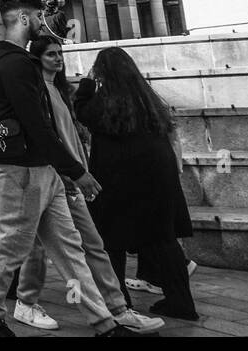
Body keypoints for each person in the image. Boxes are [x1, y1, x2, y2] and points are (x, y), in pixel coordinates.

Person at [0, 0, 145, 338]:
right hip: (24, 171)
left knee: (71, 251)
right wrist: (76, 171)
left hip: (42, 171)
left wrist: (63, 171)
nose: (42, 23)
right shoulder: (17, 65)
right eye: (37, 17)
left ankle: (105, 325)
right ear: (23, 19)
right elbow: (37, 125)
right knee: (9, 246)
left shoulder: (11, 62)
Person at [11, 38, 164, 332]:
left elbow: (72, 137)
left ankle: (118, 309)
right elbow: (47, 140)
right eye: (50, 55)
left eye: (60, 54)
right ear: (37, 59)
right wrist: (68, 173)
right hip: (55, 178)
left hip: (72, 179)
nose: (58, 59)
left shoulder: (58, 90)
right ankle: (26, 302)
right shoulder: (37, 92)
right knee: (39, 249)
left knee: (92, 244)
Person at [75, 47, 198, 321]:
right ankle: (181, 303)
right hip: (158, 177)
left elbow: (81, 111)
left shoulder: (104, 101)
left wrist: (86, 82)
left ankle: (119, 301)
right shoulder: (147, 99)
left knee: (111, 242)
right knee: (163, 240)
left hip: (119, 180)